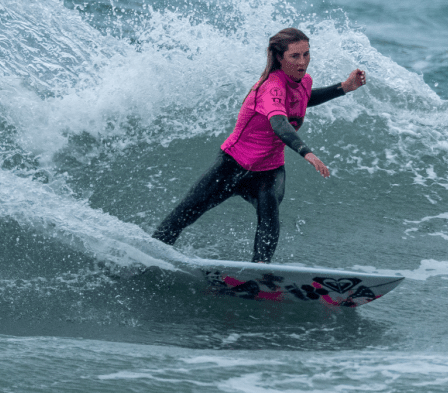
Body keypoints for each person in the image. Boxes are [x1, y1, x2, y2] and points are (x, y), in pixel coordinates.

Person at [152, 27, 366, 263]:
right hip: (233, 164)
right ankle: (149, 258)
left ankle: (259, 272)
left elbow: (303, 97)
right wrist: (307, 153)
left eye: (306, 54)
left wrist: (343, 88)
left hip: (268, 170)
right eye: (295, 56)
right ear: (278, 58)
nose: (303, 62)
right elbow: (280, 124)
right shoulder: (270, 87)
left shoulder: (303, 82)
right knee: (182, 216)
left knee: (270, 218)